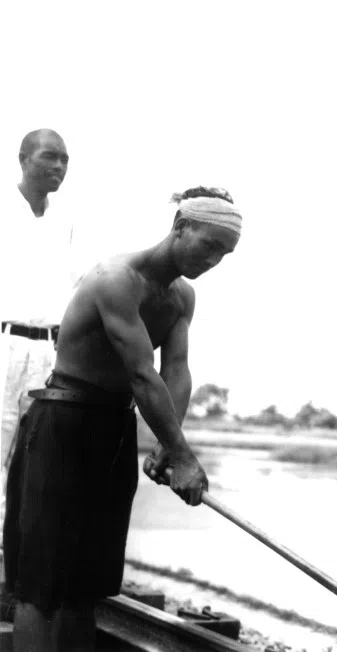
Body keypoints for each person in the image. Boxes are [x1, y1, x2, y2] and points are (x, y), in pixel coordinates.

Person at [2, 186, 242, 651]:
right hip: (63, 424)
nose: (214, 259)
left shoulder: (181, 298)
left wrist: (164, 447)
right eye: (209, 244)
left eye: (225, 253)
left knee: (86, 586)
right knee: (43, 585)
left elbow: (176, 371)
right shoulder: (116, 279)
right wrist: (183, 456)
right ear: (180, 227)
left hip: (112, 432)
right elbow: (140, 373)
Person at [0, 129, 77, 525]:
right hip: (3, 342)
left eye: (65, 160)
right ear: (23, 158)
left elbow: (74, 285)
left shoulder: (64, 220)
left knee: (35, 453)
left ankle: (18, 555)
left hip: (48, 348)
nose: (59, 167)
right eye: (50, 157)